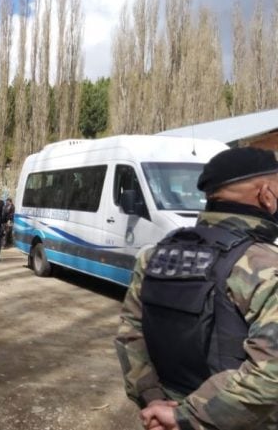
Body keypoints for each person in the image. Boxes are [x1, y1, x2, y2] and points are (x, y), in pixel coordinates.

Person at [115, 147, 278, 430]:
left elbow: (130, 335)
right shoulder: (265, 266)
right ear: (266, 193)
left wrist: (154, 402)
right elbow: (271, 374)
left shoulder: (153, 255)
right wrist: (186, 417)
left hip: (165, 413)